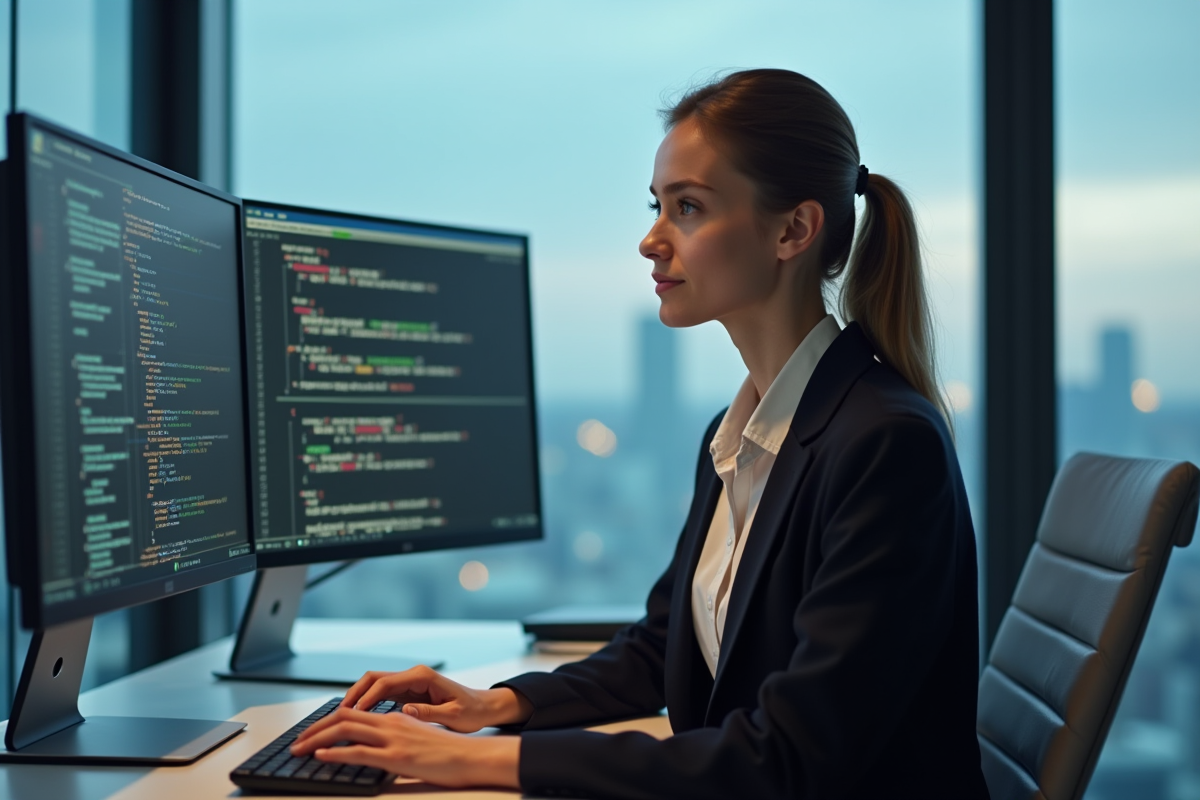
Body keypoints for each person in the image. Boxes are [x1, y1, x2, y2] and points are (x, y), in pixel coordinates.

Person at [291, 68, 990, 799]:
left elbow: (790, 758)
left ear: (793, 230)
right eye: (657, 206)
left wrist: (474, 761)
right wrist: (495, 705)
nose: (650, 241)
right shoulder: (740, 434)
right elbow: (665, 648)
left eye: (687, 208)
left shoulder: (882, 444)